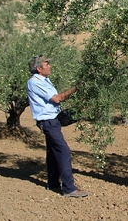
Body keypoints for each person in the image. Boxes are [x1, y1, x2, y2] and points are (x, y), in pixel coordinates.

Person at [26, 54, 88, 198]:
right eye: (46, 64)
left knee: (53, 152)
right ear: (38, 68)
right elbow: (57, 98)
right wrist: (76, 88)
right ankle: (68, 188)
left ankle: (53, 183)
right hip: (48, 122)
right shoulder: (35, 82)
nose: (50, 66)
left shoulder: (44, 80)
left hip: (52, 120)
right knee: (63, 151)